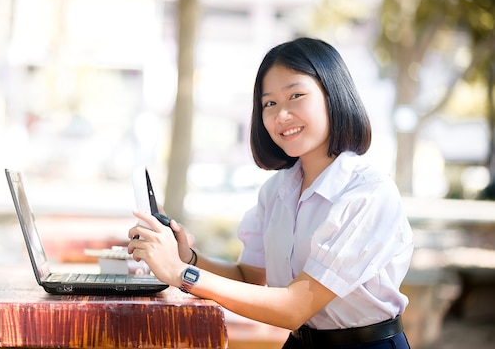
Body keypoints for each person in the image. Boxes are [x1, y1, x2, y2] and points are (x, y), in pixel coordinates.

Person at [128, 37, 414, 349]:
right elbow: (249, 278)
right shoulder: (277, 190)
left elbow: (294, 307)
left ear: (332, 95)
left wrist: (182, 273)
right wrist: (189, 257)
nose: (281, 115)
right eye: (270, 103)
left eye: (296, 96)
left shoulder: (368, 194)